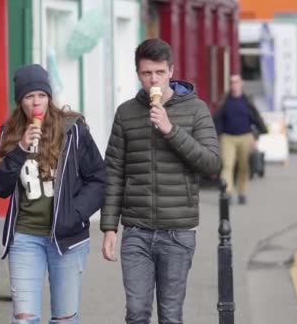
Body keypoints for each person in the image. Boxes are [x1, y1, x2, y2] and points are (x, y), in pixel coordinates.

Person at [100, 38, 221, 323]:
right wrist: (109, 228)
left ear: (171, 71)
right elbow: (114, 172)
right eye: (146, 73)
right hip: (136, 232)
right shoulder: (126, 112)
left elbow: (212, 164)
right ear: (138, 73)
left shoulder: (196, 109)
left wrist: (171, 129)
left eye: (159, 72)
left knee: (170, 315)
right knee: (137, 313)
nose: (153, 79)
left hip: (178, 233)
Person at [0, 64, 106, 324]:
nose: (36, 102)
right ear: (21, 103)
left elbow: (98, 179)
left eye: (41, 95)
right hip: (25, 238)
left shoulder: (72, 130)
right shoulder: (10, 133)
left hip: (67, 239)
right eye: (29, 97)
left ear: (49, 97)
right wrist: (20, 149)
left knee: (64, 319)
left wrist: (75, 214)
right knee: (23, 319)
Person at [214, 74, 267, 205]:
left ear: (241, 84)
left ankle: (242, 193)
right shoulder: (225, 101)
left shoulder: (247, 101)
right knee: (227, 166)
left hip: (245, 137)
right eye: (231, 82)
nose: (234, 84)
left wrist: (256, 137)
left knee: (244, 167)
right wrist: (217, 136)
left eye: (236, 82)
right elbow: (217, 120)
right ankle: (227, 193)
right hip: (228, 138)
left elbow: (256, 119)